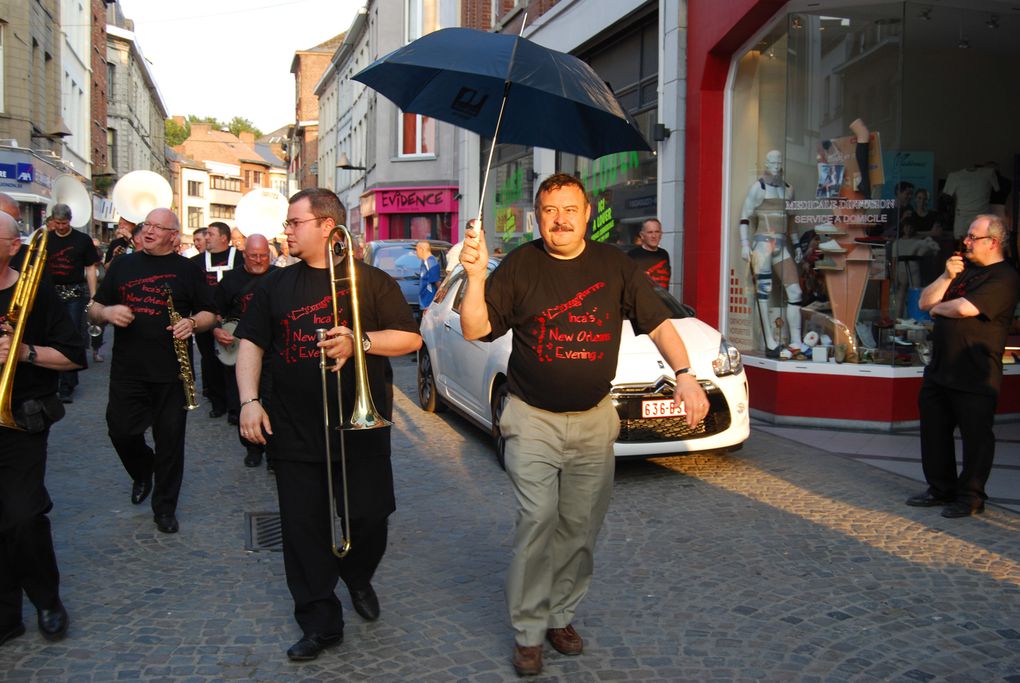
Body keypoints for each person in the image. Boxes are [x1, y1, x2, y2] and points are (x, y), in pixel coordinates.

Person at [458, 173, 709, 676]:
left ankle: (560, 614)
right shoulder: (521, 265)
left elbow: (659, 322)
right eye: (549, 210)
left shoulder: (614, 265)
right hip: (531, 420)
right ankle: (529, 631)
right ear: (537, 216)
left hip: (595, 419)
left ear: (588, 214)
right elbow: (476, 329)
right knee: (537, 521)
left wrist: (686, 375)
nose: (560, 219)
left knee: (580, 527)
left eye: (570, 208)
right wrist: (478, 276)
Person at [235, 188, 420, 662]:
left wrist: (360, 340)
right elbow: (251, 345)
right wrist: (249, 401)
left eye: (295, 222)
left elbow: (409, 337)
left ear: (326, 227)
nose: (287, 230)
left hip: (361, 428)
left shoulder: (372, 282)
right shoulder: (275, 286)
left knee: (370, 518)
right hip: (294, 429)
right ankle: (320, 622)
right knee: (302, 531)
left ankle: (357, 575)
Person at [87, 208, 217, 534]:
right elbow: (93, 309)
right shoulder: (123, 265)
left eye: (158, 228)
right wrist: (108, 312)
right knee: (121, 431)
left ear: (174, 236)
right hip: (128, 370)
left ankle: (165, 508)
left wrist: (192, 322)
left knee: (170, 443)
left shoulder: (187, 270)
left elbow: (210, 313)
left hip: (172, 373)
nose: (149, 231)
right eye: (147, 225)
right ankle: (143, 469)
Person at [0, 211, 85, 646]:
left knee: (21, 517)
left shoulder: (37, 294)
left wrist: (22, 350)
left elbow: (74, 356)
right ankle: (5, 614)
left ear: (14, 247)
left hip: (20, 418)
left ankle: (47, 599)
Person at [907, 214, 1020, 518]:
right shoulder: (962, 270)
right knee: (934, 433)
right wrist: (945, 277)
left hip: (975, 373)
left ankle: (970, 496)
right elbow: (923, 303)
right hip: (940, 370)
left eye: (973, 236)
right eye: (968, 236)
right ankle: (940, 489)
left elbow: (964, 308)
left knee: (976, 439)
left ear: (993, 242)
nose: (966, 242)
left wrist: (938, 310)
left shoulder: (1004, 277)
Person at [212, 233, 275, 460]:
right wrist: (216, 330)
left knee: (274, 400)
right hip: (240, 350)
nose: (259, 260)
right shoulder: (229, 281)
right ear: (244, 255)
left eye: (264, 256)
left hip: (273, 350)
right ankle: (252, 448)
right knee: (245, 399)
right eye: (253, 256)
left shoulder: (281, 277)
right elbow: (215, 313)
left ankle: (274, 452)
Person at [738, 150, 803, 356]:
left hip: (781, 245)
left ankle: (796, 341)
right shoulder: (758, 188)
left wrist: (798, 245)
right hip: (763, 244)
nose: (776, 164)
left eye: (779, 161)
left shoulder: (788, 189)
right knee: (763, 293)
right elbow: (745, 216)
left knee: (795, 292)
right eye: (772, 161)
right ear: (766, 163)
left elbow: (791, 221)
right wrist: (745, 244)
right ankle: (770, 342)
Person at [44, 204, 99, 404]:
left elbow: (90, 268)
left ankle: (67, 384)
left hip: (75, 293)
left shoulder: (82, 240)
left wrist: (93, 296)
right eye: (57, 223)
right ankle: (55, 380)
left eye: (64, 223)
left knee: (71, 336)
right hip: (51, 293)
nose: (60, 227)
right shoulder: (45, 240)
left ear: (70, 220)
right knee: (50, 336)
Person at [191, 222, 242, 419]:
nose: (206, 238)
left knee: (234, 362)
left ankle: (234, 406)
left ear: (223, 237)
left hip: (234, 319)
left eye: (210, 234)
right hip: (206, 319)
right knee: (210, 360)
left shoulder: (239, 258)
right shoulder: (195, 263)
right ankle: (217, 402)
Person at [627, 218, 671, 288]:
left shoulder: (664, 254)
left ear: (661, 234)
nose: (654, 236)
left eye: (657, 232)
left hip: (661, 298)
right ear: (642, 235)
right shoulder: (632, 255)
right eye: (650, 232)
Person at [416, 240, 440, 310]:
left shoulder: (431, 262)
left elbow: (437, 282)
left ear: (422, 249)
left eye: (417, 250)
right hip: (424, 303)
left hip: (428, 304)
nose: (416, 252)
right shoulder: (424, 261)